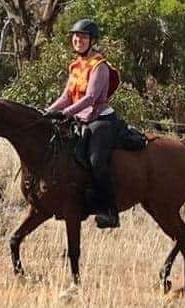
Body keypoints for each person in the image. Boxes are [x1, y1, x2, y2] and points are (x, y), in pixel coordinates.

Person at [44, 19, 120, 228]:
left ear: (92, 41)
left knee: (96, 161)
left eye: (83, 37)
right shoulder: (75, 66)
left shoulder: (100, 65)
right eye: (75, 36)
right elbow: (66, 96)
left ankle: (109, 211)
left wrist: (65, 114)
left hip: (100, 119)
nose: (78, 40)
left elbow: (91, 98)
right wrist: (46, 113)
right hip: (79, 118)